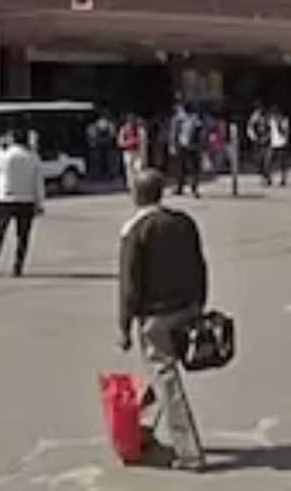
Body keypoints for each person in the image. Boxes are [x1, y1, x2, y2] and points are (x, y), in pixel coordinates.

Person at [117, 169, 208, 472]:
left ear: (137, 194)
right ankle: (142, 430)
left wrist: (124, 326)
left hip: (156, 315)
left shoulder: (135, 230)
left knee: (166, 379)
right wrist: (199, 305)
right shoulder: (183, 222)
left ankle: (189, 452)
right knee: (159, 373)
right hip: (187, 308)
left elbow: (130, 285)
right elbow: (200, 265)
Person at [0, 128, 44, 277]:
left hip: (5, 198)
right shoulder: (32, 157)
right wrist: (39, 202)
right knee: (23, 236)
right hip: (26, 199)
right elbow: (38, 183)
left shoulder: (4, 155)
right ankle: (18, 267)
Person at [169, 102, 203, 198]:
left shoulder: (195, 118)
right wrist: (173, 145)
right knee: (182, 168)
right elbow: (174, 132)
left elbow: (200, 131)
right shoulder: (178, 119)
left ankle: (193, 189)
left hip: (191, 146)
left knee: (192, 169)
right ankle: (181, 187)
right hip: (183, 145)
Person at [265, 107, 290, 187]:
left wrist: (279, 125)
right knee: (268, 162)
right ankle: (269, 179)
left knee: (282, 163)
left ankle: (283, 179)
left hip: (282, 144)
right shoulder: (271, 121)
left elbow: (285, 132)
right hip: (273, 144)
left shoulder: (284, 120)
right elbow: (268, 130)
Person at [117, 115, 145, 187]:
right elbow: (120, 142)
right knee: (129, 169)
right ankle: (131, 185)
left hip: (137, 151)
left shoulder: (139, 129)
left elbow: (142, 140)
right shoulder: (123, 129)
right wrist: (130, 142)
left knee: (138, 168)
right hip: (128, 151)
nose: (132, 122)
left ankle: (138, 184)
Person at [246, 104, 270, 183]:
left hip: (266, 140)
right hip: (258, 140)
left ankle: (266, 175)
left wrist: (268, 137)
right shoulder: (254, 118)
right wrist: (254, 138)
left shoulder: (267, 117)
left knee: (266, 159)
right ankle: (264, 175)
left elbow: (271, 128)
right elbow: (250, 128)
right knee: (260, 159)